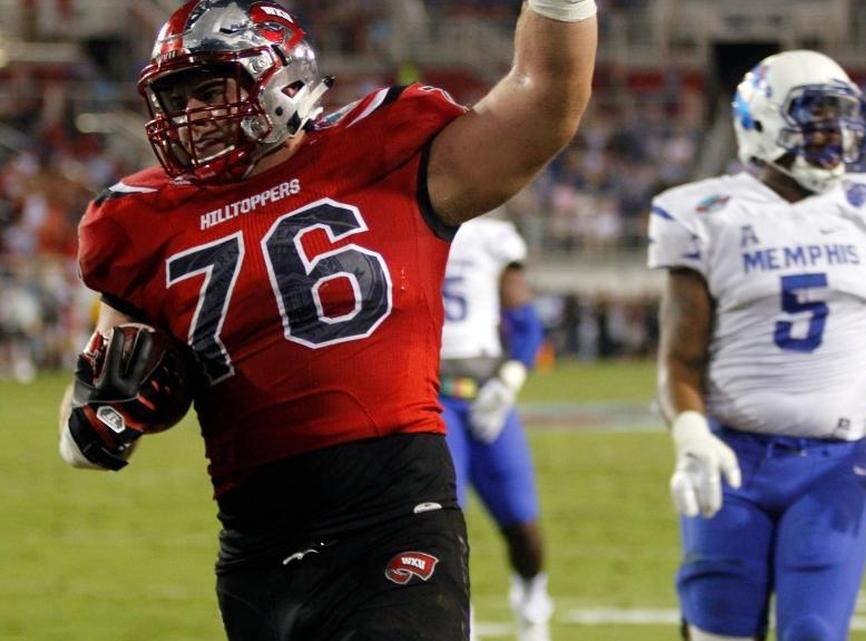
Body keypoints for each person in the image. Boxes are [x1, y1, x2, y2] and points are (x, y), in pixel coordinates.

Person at [55, 1, 596, 640]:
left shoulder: (383, 149)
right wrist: (98, 422)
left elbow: (547, 97)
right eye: (177, 99)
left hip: (395, 513)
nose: (193, 116)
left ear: (279, 78)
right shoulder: (140, 224)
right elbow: (84, 426)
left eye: (210, 89)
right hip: (259, 550)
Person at [647, 50, 866, 641]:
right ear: (761, 122)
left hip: (833, 462)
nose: (835, 133)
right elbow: (679, 359)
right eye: (815, 117)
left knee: (813, 631)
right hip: (732, 455)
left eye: (842, 117)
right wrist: (691, 439)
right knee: (718, 633)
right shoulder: (705, 212)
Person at [438, 212, 552, 641]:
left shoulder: (492, 237)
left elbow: (524, 318)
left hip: (487, 393)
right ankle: (459, 624)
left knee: (522, 520)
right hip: (431, 393)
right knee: (448, 523)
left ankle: (533, 609)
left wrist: (509, 380)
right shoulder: (407, 220)